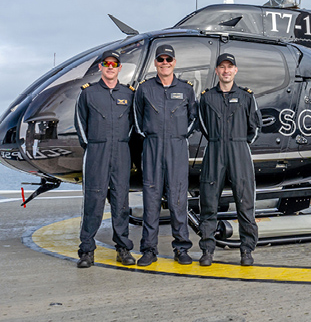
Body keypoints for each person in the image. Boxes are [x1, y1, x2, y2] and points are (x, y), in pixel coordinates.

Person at [133, 44, 197, 266]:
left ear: (174, 62)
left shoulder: (187, 89)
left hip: (177, 148)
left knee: (178, 200)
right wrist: (151, 137)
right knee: (150, 200)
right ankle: (149, 250)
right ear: (155, 63)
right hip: (152, 147)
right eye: (161, 59)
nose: (165, 63)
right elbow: (137, 120)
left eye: (168, 59)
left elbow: (193, 118)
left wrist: (179, 136)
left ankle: (181, 248)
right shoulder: (144, 89)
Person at [197, 53, 262, 266]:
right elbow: (204, 127)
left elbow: (255, 127)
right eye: (222, 67)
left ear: (235, 70)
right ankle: (207, 250)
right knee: (208, 203)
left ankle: (246, 251)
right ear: (216, 70)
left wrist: (240, 144)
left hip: (239, 151)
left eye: (230, 67)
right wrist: (218, 141)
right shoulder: (206, 98)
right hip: (214, 150)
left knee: (245, 203)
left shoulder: (246, 97)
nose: (226, 71)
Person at [74, 50, 136, 268]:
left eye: (115, 64)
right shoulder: (88, 94)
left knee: (121, 202)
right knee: (94, 201)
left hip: (121, 152)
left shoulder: (129, 94)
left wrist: (121, 144)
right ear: (100, 67)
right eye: (106, 63)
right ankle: (87, 251)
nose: (110, 67)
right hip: (96, 152)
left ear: (120, 68)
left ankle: (123, 248)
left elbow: (132, 125)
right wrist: (92, 146)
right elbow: (80, 124)